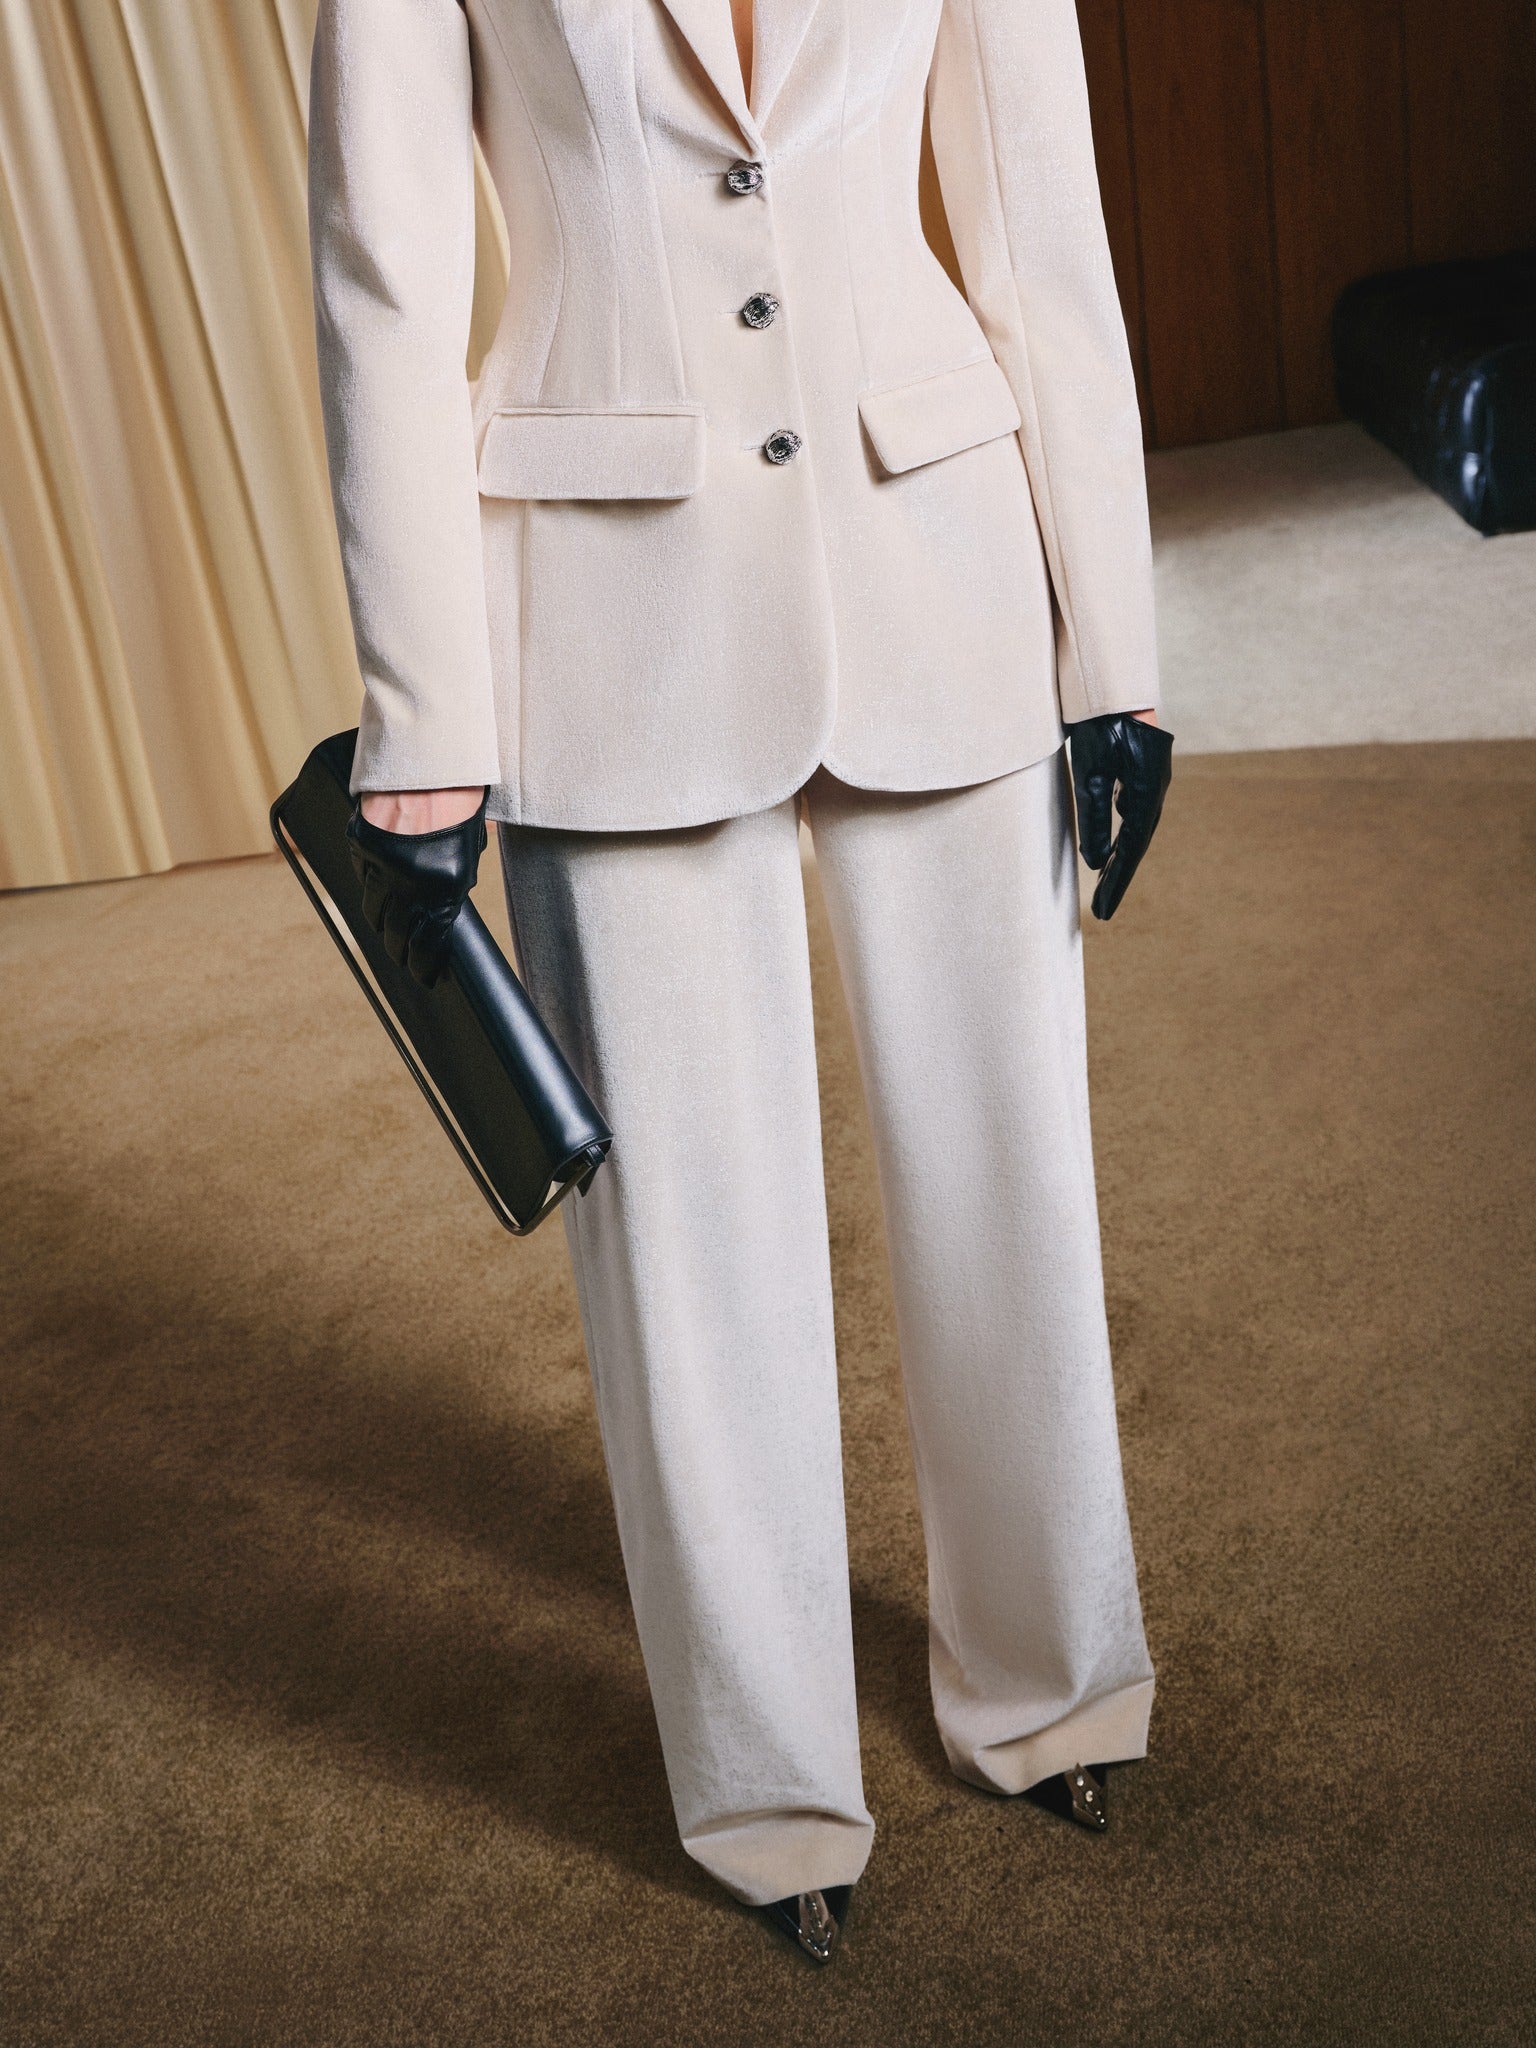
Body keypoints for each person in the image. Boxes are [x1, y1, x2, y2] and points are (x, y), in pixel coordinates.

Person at [309, 0, 1172, 1965]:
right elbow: (386, 258)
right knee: (687, 1255)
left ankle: (1050, 1688)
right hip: (605, 603)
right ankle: (774, 1788)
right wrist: (423, 712)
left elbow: (1041, 218)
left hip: (940, 548)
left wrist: (1110, 637)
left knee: (1012, 1185)